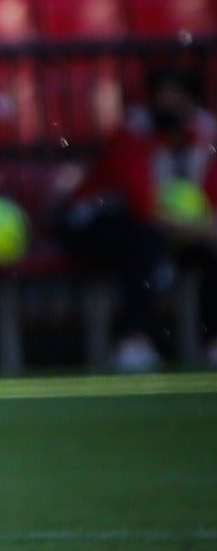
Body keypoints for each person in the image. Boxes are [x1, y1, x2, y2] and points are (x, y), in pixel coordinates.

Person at [55, 67, 217, 371]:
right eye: (162, 95)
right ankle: (132, 340)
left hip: (170, 230)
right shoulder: (131, 135)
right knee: (145, 242)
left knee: (205, 254)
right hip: (92, 222)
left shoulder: (206, 136)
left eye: (176, 96)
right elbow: (143, 204)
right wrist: (204, 230)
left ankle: (212, 341)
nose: (168, 103)